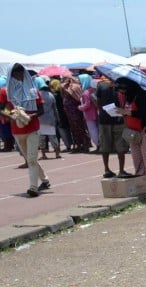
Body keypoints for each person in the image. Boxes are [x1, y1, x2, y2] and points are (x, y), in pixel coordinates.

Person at [0, 63, 51, 197]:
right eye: (16, 73)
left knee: (32, 159)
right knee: (29, 159)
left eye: (21, 73)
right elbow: (2, 108)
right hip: (17, 129)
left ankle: (33, 188)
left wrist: (30, 116)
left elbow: (41, 109)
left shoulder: (33, 90)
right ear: (11, 75)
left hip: (32, 127)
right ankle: (45, 180)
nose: (19, 76)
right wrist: (11, 115)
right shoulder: (6, 92)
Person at [117, 79, 146, 193]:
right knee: (137, 159)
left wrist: (127, 113)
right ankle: (141, 181)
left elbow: (144, 113)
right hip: (133, 132)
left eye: (124, 90)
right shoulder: (128, 97)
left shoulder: (142, 95)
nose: (123, 93)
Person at [95, 74, 129, 177]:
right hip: (119, 118)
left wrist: (103, 112)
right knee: (120, 146)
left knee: (105, 145)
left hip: (104, 119)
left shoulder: (100, 85)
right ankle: (121, 170)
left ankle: (106, 169)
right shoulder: (121, 86)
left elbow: (98, 102)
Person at [60, 74, 90, 153]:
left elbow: (78, 98)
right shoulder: (65, 88)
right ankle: (78, 145)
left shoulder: (75, 87)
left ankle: (85, 145)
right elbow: (63, 94)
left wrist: (67, 86)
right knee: (74, 129)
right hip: (69, 112)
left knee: (80, 128)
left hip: (76, 111)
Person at [36, 78, 61, 159]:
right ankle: (57, 153)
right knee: (53, 136)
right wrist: (57, 118)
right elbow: (55, 108)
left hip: (40, 119)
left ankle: (43, 155)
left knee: (41, 138)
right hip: (50, 119)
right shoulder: (51, 95)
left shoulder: (37, 95)